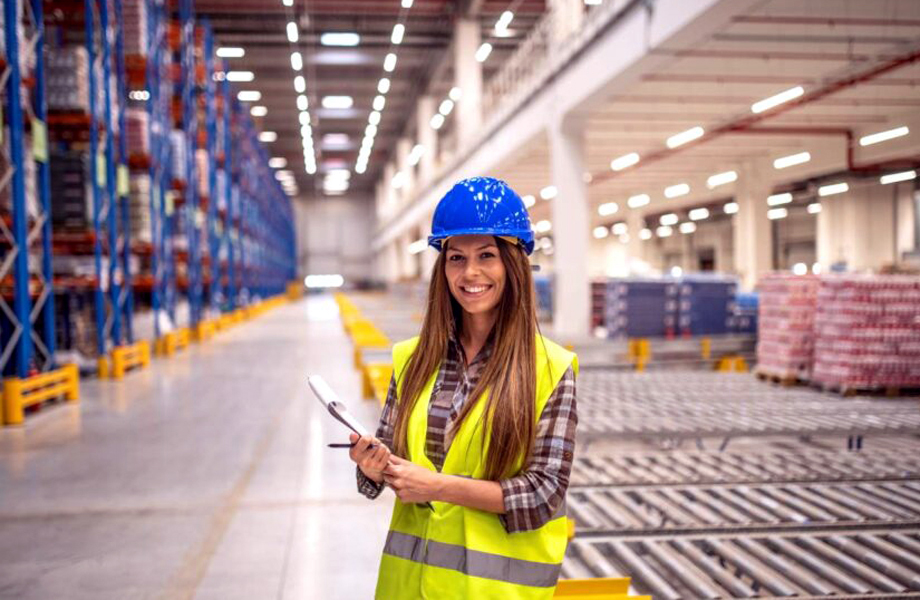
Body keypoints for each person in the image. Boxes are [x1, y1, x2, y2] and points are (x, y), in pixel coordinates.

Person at [349, 176, 578, 600]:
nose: (470, 273)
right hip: (407, 588)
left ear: (512, 264)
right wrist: (371, 465)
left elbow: (542, 495)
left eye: (486, 256)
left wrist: (437, 486)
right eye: (456, 258)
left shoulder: (550, 368)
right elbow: (388, 459)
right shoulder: (412, 359)